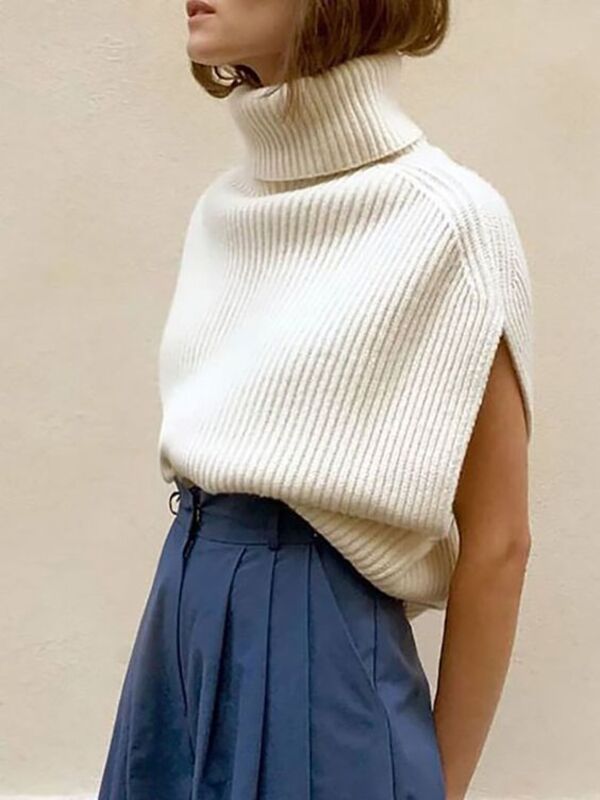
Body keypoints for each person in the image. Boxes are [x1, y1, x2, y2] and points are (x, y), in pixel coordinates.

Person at [98, 1, 534, 798]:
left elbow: (499, 541)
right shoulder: (221, 210)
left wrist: (437, 786)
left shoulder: (450, 221)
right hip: (177, 632)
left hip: (319, 661)